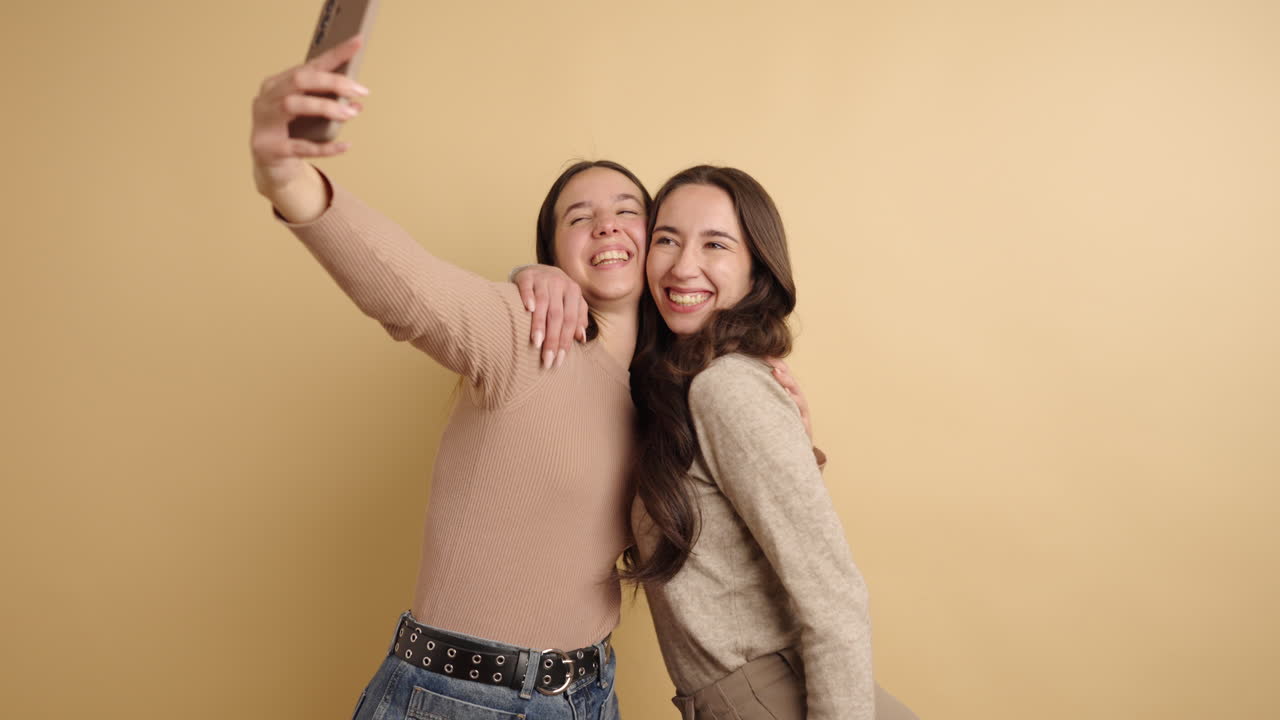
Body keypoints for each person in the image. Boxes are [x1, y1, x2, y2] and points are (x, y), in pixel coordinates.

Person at [249, 36, 813, 720]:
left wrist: (761, 387)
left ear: (660, 242)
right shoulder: (521, 335)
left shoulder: (671, 397)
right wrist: (287, 177)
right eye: (579, 217)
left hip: (588, 694)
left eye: (628, 210)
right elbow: (404, 288)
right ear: (555, 253)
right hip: (460, 698)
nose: (605, 224)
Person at [623, 165, 918, 720]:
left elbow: (835, 599)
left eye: (716, 244)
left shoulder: (725, 387)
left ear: (756, 267)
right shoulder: (679, 390)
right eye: (666, 239)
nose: (684, 265)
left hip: (774, 699)